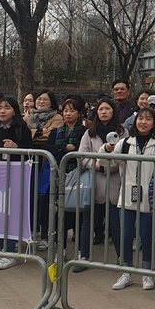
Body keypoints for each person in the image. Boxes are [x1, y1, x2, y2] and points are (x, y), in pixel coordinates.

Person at [107, 106, 155, 292]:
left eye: (148, 119)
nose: (143, 122)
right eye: (140, 118)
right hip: (127, 194)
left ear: (154, 123)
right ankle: (127, 272)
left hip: (149, 196)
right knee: (126, 234)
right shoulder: (125, 143)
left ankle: (147, 273)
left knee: (147, 236)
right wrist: (106, 147)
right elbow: (107, 159)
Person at [0, 97, 34, 270]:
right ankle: (1, 248)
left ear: (14, 111)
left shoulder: (21, 130)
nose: (2, 111)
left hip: (16, 177)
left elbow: (31, 151)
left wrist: (16, 147)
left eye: (7, 108)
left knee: (10, 214)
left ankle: (11, 251)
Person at [77, 98, 125, 272]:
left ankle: (122, 258)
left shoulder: (123, 132)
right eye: (100, 109)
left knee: (116, 223)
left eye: (107, 109)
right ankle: (83, 256)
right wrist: (96, 165)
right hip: (93, 181)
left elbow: (125, 157)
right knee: (87, 222)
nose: (103, 112)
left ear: (113, 111)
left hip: (115, 181)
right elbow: (82, 156)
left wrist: (106, 165)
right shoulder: (89, 133)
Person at [45, 97, 87, 261]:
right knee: (58, 214)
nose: (68, 113)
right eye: (66, 110)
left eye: (72, 110)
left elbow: (82, 150)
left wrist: (70, 150)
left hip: (77, 176)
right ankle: (60, 248)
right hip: (59, 177)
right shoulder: (57, 131)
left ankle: (80, 251)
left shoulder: (83, 131)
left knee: (78, 213)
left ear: (79, 113)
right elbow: (48, 148)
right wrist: (64, 148)